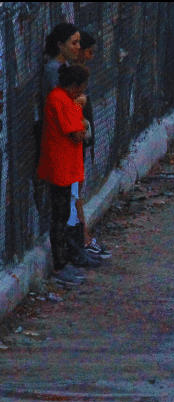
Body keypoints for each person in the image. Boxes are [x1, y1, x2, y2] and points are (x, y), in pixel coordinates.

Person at [38, 64, 91, 286]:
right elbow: (77, 133)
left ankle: (64, 261)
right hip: (59, 167)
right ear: (74, 85)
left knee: (63, 214)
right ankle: (60, 265)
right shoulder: (59, 99)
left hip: (66, 166)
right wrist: (81, 117)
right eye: (81, 88)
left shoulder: (64, 99)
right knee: (59, 217)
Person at [71, 30, 112, 260]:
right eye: (89, 51)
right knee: (74, 193)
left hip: (81, 139)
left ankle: (83, 237)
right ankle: (83, 238)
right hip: (74, 141)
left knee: (76, 191)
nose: (91, 56)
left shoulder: (80, 74)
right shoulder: (72, 78)